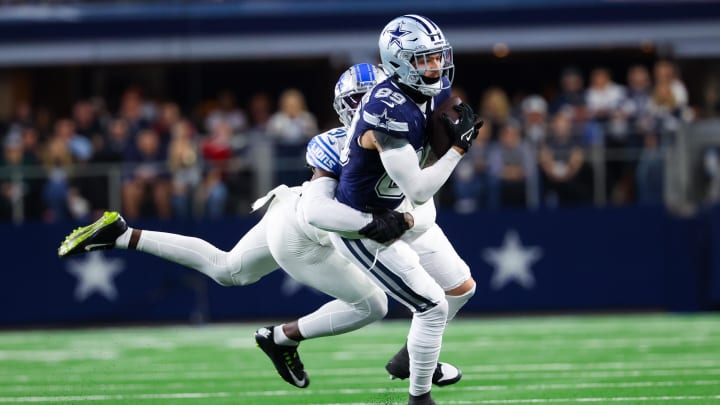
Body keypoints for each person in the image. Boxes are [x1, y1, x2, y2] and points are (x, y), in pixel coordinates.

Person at [57, 63, 460, 392]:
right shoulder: (344, 142)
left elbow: (416, 205)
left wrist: (403, 218)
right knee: (378, 303)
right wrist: (388, 221)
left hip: (295, 214)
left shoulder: (382, 134)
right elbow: (333, 214)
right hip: (309, 230)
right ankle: (286, 338)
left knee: (226, 269)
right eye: (363, 101)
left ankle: (125, 234)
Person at [317, 15, 481, 405]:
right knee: (431, 305)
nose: (435, 66)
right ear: (399, 61)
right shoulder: (386, 110)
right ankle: (419, 398)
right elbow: (421, 190)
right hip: (365, 227)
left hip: (395, 209)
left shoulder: (416, 92)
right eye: (424, 60)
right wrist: (458, 150)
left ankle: (412, 356)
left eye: (437, 57)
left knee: (460, 288)